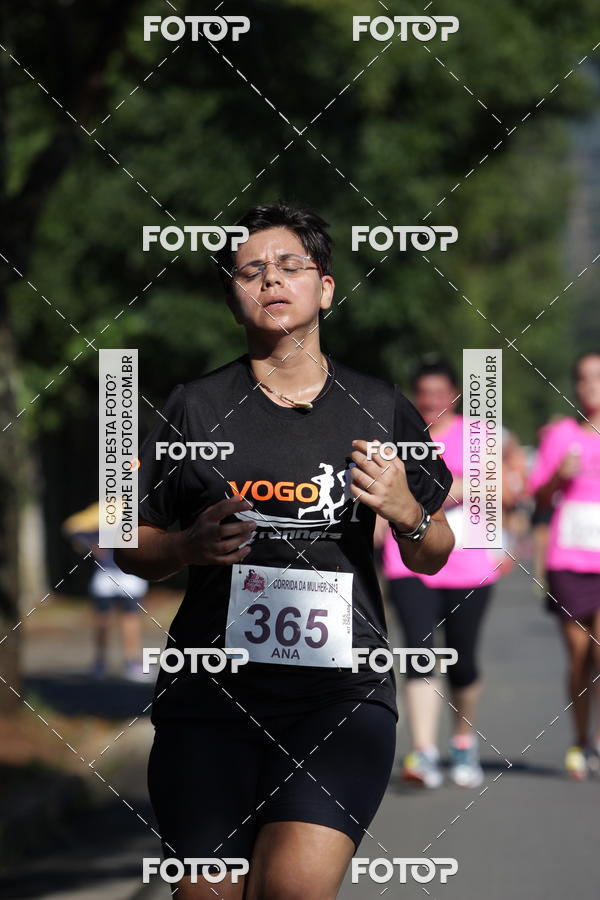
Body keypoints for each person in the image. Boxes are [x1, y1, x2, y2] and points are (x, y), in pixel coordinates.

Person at [115, 202, 455, 900]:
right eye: (249, 270)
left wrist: (407, 511)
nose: (270, 279)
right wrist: (187, 545)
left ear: (325, 287)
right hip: (209, 697)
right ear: (232, 294)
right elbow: (130, 546)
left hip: (339, 698)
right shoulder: (195, 408)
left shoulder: (378, 407)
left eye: (289, 265)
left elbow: (434, 553)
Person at [376, 357, 505, 789]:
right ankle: (424, 751)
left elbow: (494, 490)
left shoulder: (478, 435)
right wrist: (451, 486)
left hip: (469, 562)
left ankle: (463, 742)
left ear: (453, 395)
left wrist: (433, 489)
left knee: (463, 660)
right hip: (408, 559)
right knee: (418, 651)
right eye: (423, 393)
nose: (431, 401)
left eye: (439, 393)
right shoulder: (400, 434)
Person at [527, 352, 600, 780]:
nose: (590, 386)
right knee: (578, 656)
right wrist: (559, 476)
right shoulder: (561, 435)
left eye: (597, 378)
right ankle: (580, 740)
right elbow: (537, 496)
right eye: (583, 378)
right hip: (569, 558)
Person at [62, 501, 149, 679]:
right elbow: (72, 527)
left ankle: (116, 664)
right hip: (112, 574)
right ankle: (111, 664)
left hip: (126, 574)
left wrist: (89, 545)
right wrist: (92, 546)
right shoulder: (127, 505)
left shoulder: (104, 509)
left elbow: (71, 527)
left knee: (124, 619)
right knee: (114, 619)